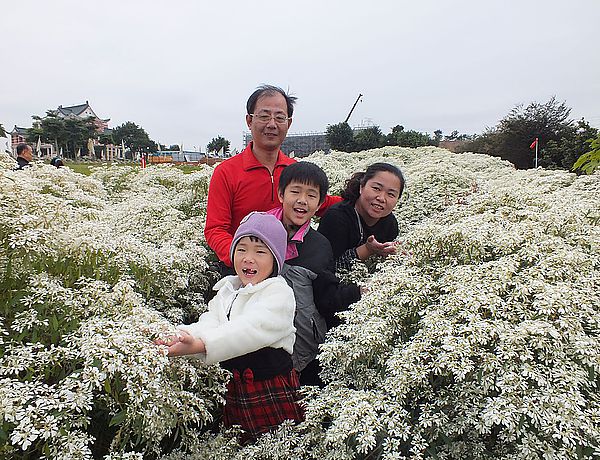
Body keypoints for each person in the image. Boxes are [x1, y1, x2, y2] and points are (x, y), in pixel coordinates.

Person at [156, 212, 303, 441]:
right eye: (241, 249)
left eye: (260, 251)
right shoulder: (228, 289)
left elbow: (248, 329)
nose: (248, 258)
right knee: (240, 443)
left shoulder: (279, 293)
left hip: (269, 388)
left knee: (277, 444)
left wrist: (199, 345)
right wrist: (180, 336)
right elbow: (210, 321)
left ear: (276, 259)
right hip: (236, 388)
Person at [204, 84, 341, 275]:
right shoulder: (226, 172)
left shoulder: (295, 170)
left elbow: (322, 203)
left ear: (289, 123)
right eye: (264, 116)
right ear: (249, 120)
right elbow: (215, 229)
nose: (272, 124)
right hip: (244, 273)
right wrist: (243, 259)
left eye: (279, 117)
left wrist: (364, 199)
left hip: (292, 268)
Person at [270, 162, 361, 386]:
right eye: (295, 191)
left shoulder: (319, 246)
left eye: (312, 195)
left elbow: (326, 298)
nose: (302, 200)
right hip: (261, 346)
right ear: (281, 194)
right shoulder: (256, 233)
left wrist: (358, 292)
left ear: (320, 204)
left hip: (302, 349)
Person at [318, 162, 405, 272]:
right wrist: (367, 250)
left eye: (391, 194)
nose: (382, 198)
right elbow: (326, 268)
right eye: (376, 188)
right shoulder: (336, 217)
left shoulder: (390, 223)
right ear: (361, 187)